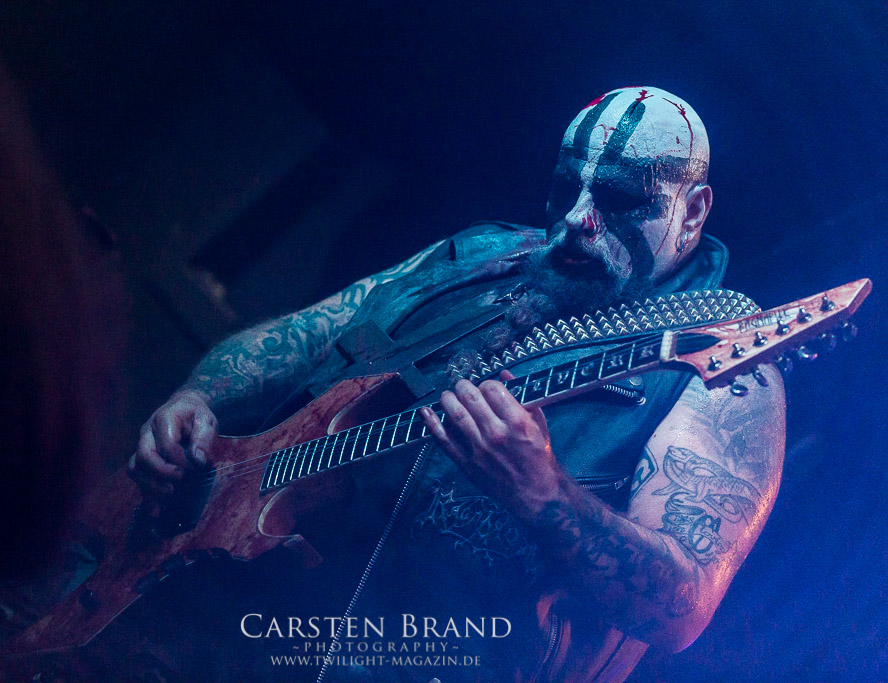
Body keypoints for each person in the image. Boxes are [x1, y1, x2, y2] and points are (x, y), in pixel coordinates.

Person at [129, 86, 785, 682]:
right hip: (228, 630)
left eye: (619, 201)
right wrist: (198, 396)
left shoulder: (730, 366)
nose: (577, 222)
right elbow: (304, 336)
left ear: (692, 212)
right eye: (567, 189)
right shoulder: (478, 253)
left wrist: (544, 492)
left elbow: (683, 607)